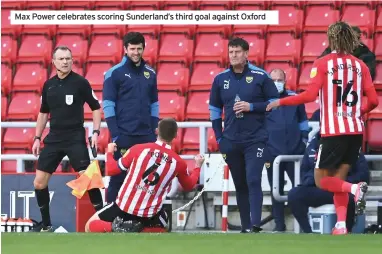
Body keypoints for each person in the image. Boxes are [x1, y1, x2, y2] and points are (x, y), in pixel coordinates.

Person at [267, 21, 379, 235]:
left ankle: (355, 189)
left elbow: (309, 96)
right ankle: (340, 225)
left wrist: (280, 102)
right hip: (355, 131)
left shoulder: (322, 63)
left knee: (323, 180)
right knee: (338, 178)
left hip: (333, 131)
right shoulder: (361, 65)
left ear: (331, 39)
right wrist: (355, 111)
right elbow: (373, 101)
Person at [209, 37, 280, 233]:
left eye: (237, 52)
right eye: (231, 52)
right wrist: (219, 138)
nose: (233, 56)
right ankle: (246, 227)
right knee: (240, 184)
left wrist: (252, 107)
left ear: (246, 54)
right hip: (231, 141)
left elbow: (274, 102)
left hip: (255, 139)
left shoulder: (261, 76)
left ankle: (255, 224)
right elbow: (214, 111)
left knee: (253, 179)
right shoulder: (220, 79)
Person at [85, 118, 204, 233]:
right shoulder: (178, 162)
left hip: (124, 208)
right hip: (149, 215)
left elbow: (111, 170)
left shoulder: (138, 149)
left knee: (89, 226)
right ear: (176, 136)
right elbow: (189, 185)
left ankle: (115, 227)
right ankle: (142, 230)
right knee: (164, 225)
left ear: (157, 131)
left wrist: (109, 152)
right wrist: (197, 166)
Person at [31, 46, 103, 232]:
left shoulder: (80, 82)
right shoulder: (49, 85)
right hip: (54, 137)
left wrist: (95, 132)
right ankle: (46, 226)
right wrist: (37, 137)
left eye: (68, 58)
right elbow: (43, 113)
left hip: (75, 137)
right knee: (39, 182)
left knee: (88, 178)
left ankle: (103, 221)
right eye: (61, 59)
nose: (65, 62)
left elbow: (96, 107)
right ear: (53, 62)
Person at [103, 32, 159, 202]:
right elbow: (108, 105)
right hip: (124, 135)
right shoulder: (114, 73)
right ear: (125, 49)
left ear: (143, 49)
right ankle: (109, 218)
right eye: (132, 49)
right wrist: (116, 134)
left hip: (146, 136)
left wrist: (153, 129)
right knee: (119, 178)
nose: (136, 52)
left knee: (147, 179)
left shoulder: (150, 73)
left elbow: (155, 104)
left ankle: (141, 218)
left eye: (139, 49)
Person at [288, 127, 370, 233]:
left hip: (341, 189)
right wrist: (314, 180)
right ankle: (308, 233)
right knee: (294, 195)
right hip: (318, 188)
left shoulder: (350, 146)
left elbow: (363, 175)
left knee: (350, 198)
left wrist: (341, 181)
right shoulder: (313, 145)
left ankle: (346, 230)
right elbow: (304, 171)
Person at [265, 68, 309, 232]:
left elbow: (303, 122)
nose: (277, 83)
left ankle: (304, 226)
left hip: (294, 154)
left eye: (280, 79)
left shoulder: (295, 98)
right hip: (271, 154)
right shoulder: (264, 101)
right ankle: (279, 226)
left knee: (300, 189)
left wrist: (303, 142)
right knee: (275, 190)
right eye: (274, 80)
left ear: (285, 80)